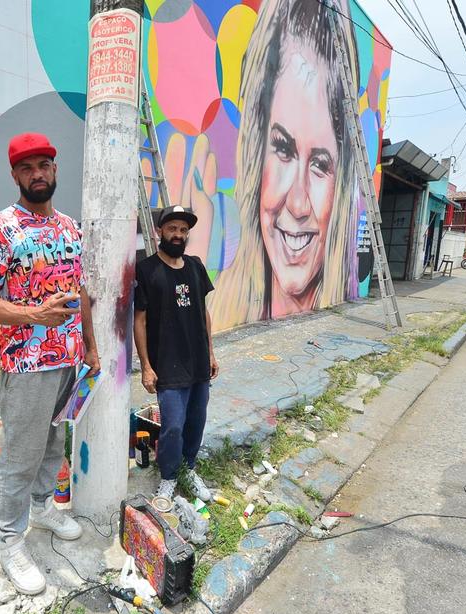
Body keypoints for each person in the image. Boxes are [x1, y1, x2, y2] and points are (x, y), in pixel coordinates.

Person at [0, 132, 100, 595]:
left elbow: (81, 291)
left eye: (43, 165)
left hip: (67, 361)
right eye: (27, 168)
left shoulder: (70, 228)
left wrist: (90, 345)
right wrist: (33, 315)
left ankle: (43, 507)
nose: (37, 174)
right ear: (15, 175)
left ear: (55, 169)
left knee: (53, 445)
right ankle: (10, 540)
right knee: (20, 456)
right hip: (25, 366)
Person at [209, 0, 357, 330]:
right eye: (283, 149)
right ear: (255, 153)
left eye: (320, 164)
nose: (299, 203)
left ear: (342, 183)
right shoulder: (215, 314)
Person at [134, 205, 219, 502]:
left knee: (197, 419)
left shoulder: (196, 266)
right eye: (172, 229)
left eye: (183, 230)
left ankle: (189, 469)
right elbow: (140, 320)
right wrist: (146, 365)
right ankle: (169, 476)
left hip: (197, 361)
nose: (178, 235)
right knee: (172, 426)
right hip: (167, 364)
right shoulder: (146, 270)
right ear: (160, 231)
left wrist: (210, 352)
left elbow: (204, 312)